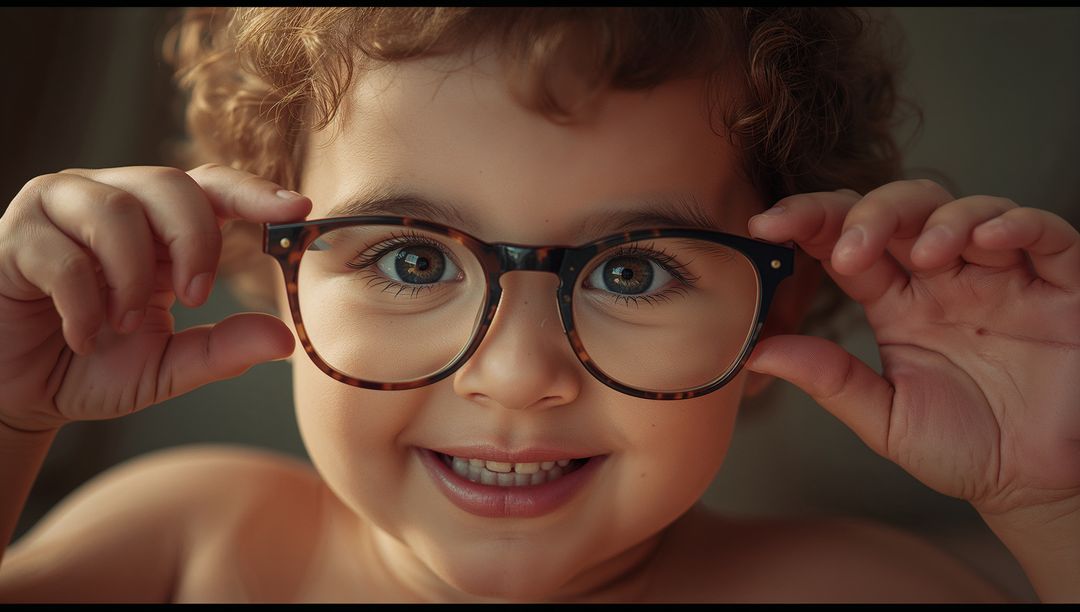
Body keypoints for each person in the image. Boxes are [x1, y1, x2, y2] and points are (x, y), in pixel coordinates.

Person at [0, 7, 1076, 603]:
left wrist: (1052, 501)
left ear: (775, 310)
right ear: (270, 261)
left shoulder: (856, 594)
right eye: (413, 262)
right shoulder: (182, 544)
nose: (516, 377)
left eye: (632, 271)